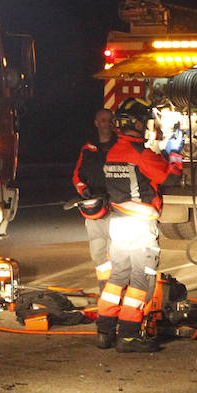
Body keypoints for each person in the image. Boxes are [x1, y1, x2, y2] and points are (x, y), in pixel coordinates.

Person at [95, 99, 183, 353]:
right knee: (140, 279)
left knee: (117, 277)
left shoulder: (114, 152)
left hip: (119, 222)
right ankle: (129, 336)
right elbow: (171, 177)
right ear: (136, 124)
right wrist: (175, 153)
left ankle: (105, 331)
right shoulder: (142, 154)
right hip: (140, 226)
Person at [73, 108, 116, 343]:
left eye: (108, 121)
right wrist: (84, 191)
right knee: (99, 257)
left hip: (117, 210)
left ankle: (116, 297)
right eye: (101, 120)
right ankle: (105, 294)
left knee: (120, 254)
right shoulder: (88, 148)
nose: (105, 124)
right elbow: (77, 176)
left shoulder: (119, 146)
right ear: (95, 122)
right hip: (94, 211)